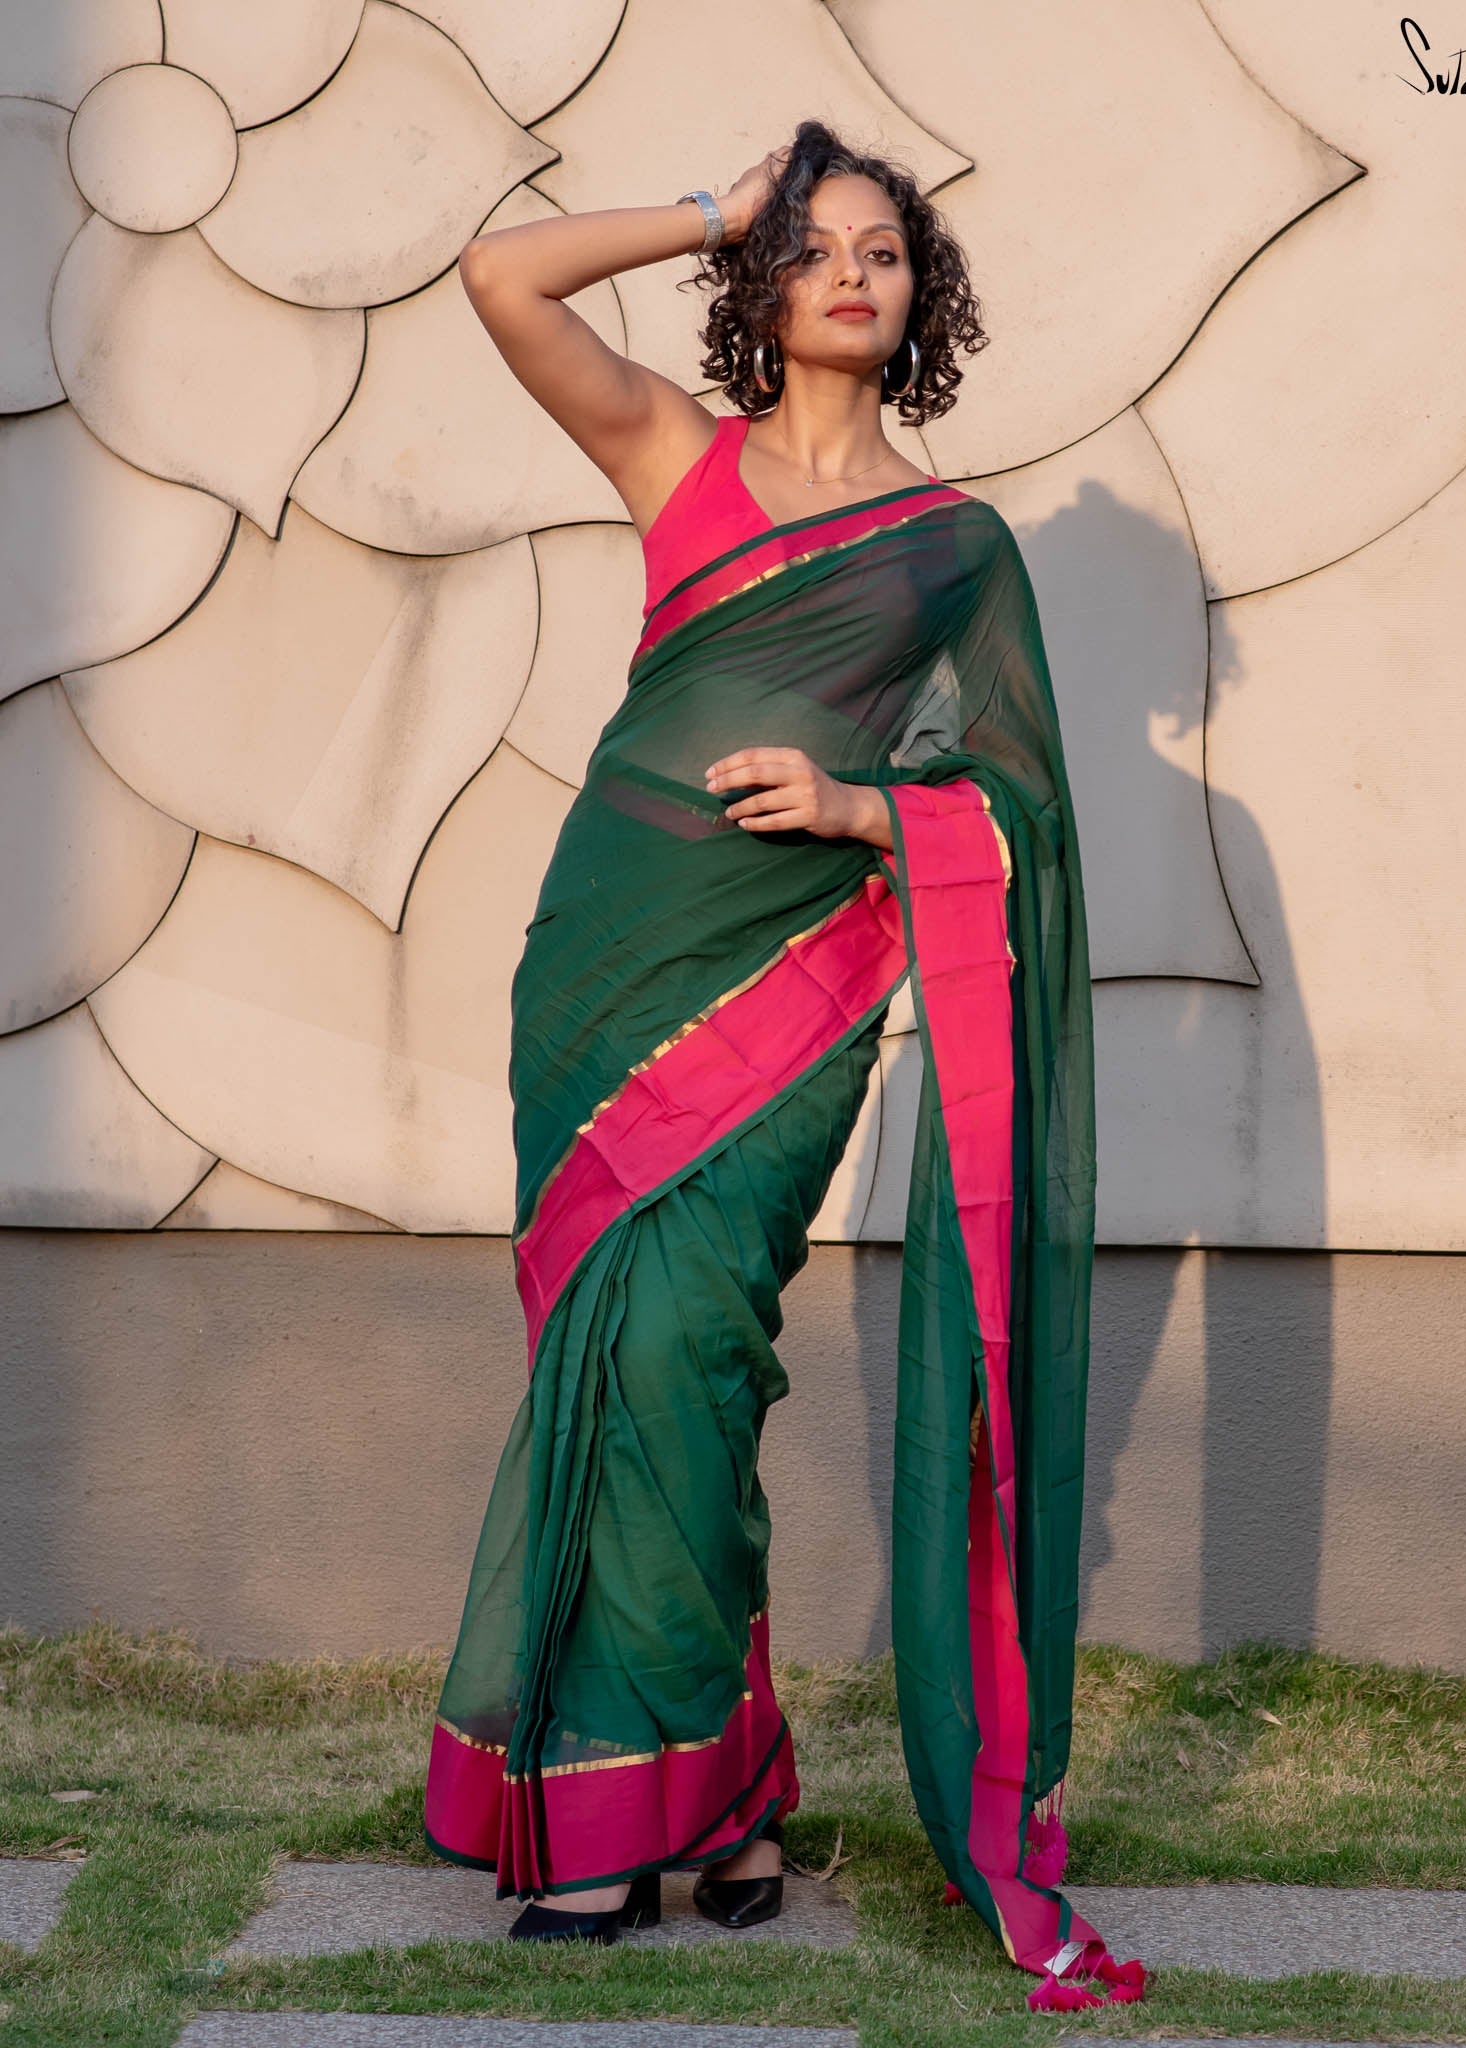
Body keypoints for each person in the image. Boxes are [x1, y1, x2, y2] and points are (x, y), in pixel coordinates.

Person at [421, 118, 1144, 2005]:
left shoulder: (953, 551)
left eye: (883, 251)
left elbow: (1022, 815)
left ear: (922, 300)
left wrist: (858, 806)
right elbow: (499, 276)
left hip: (787, 994)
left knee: (696, 1356)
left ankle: (636, 1806)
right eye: (813, 246)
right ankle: (711, 1795)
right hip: (605, 962)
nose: (849, 273)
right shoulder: (675, 454)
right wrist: (708, 205)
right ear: (762, 283)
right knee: (623, 1368)